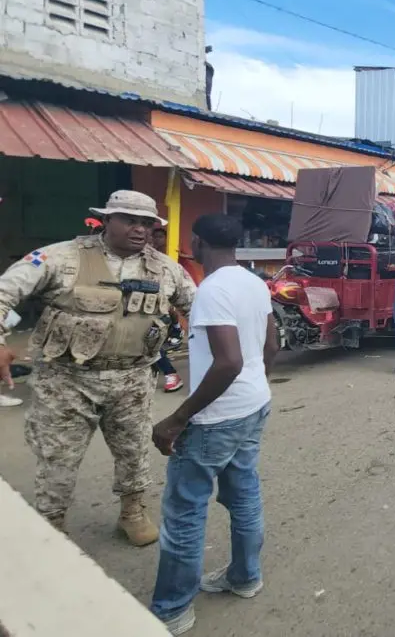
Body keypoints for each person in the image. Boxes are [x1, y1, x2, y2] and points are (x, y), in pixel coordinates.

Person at [0, 191, 196, 543]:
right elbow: (5, 292)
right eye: (130, 220)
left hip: (133, 379)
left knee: (134, 452)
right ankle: (52, 523)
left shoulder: (166, 269)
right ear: (107, 220)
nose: (140, 229)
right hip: (66, 380)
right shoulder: (61, 257)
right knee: (58, 458)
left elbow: (200, 308)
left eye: (147, 223)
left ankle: (132, 511)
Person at [147, 214, 276, 635]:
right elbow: (271, 345)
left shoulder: (212, 290)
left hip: (215, 418)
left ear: (197, 242)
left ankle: (172, 609)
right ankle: (245, 577)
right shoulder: (254, 282)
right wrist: (257, 384)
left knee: (185, 512)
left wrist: (178, 417)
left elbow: (228, 362)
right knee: (244, 494)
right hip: (253, 406)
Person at [151, 227, 184, 393]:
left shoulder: (168, 257)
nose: (156, 239)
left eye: (159, 237)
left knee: (151, 343)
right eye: (154, 236)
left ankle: (171, 373)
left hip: (162, 298)